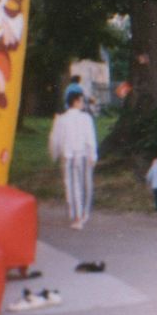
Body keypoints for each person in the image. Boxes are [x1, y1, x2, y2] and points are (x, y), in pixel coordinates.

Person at [48, 92, 97, 229]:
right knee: (84, 185)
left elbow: (54, 139)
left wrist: (55, 154)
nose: (83, 104)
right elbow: (90, 138)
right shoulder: (86, 118)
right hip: (82, 155)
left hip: (67, 155)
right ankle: (81, 214)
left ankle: (76, 214)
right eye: (81, 101)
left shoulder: (61, 119)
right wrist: (93, 155)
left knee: (71, 185)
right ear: (75, 102)